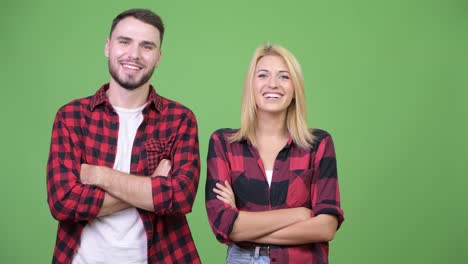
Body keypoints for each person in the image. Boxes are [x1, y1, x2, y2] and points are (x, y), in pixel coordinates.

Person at [46, 9, 201, 264]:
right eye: (124, 41)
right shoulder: (71, 117)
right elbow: (63, 202)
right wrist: (151, 184)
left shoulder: (179, 119)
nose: (134, 54)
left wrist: (100, 175)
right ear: (108, 46)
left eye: (147, 46)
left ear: (159, 57)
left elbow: (179, 197)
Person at [205, 44, 344, 263]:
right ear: (251, 85)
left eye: (284, 77)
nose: (273, 84)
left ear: (295, 87)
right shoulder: (223, 143)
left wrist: (244, 225)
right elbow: (223, 226)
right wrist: (299, 214)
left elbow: (326, 227)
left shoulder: (318, 144)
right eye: (262, 75)